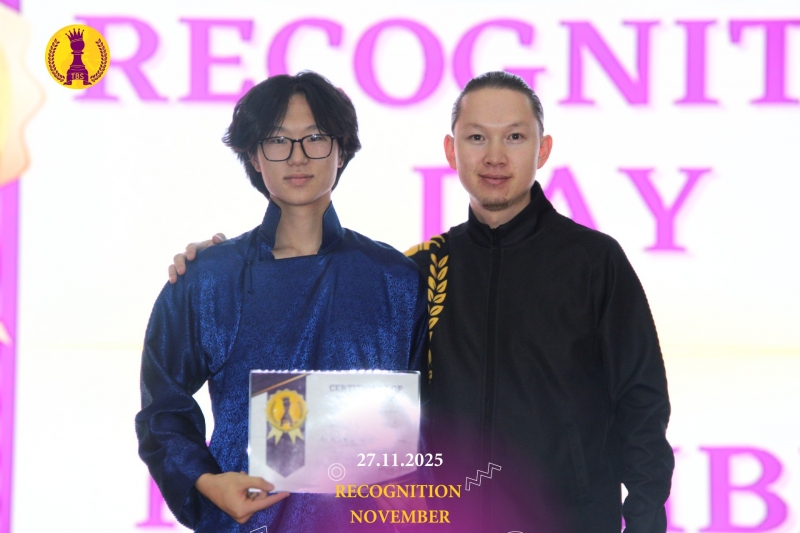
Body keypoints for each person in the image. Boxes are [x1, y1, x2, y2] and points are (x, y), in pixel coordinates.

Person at [170, 71, 674, 532]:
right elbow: (373, 413)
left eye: (515, 137)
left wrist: (646, 523)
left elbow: (642, 406)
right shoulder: (416, 271)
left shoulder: (595, 262)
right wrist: (225, 268)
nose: (495, 156)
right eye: (476, 137)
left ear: (542, 149)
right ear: (452, 152)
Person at [138, 71, 427, 533]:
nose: (297, 156)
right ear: (254, 156)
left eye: (315, 137)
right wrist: (208, 482)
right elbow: (162, 408)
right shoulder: (208, 279)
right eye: (277, 140)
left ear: (341, 150)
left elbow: (428, 423)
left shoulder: (396, 280)